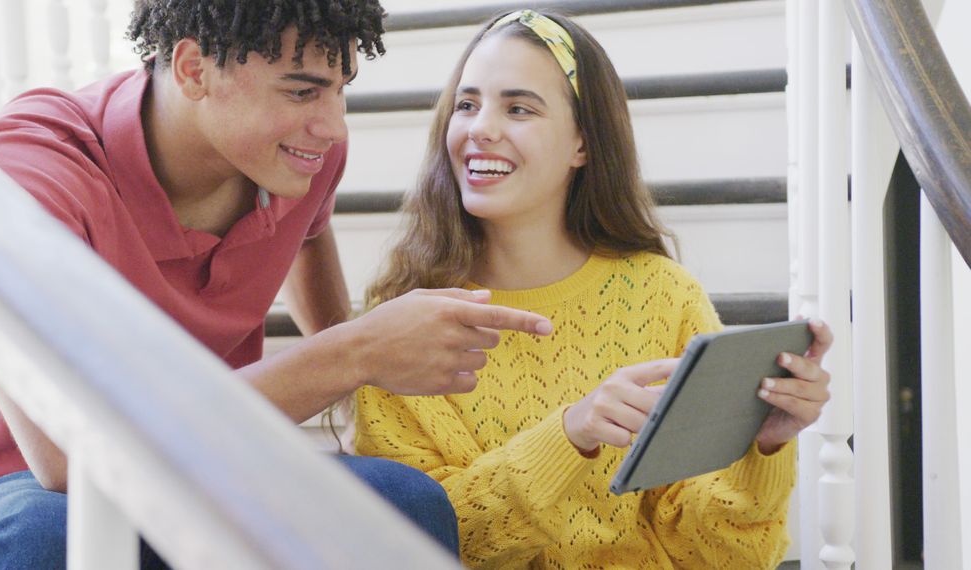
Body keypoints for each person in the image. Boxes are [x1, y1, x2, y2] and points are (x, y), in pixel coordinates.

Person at [0, 1, 557, 567]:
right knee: (45, 540)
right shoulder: (27, 170)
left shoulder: (295, 159)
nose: (333, 127)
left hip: (213, 456)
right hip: (29, 485)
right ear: (194, 69)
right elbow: (67, 459)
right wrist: (354, 352)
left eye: (339, 89)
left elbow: (308, 235)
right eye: (302, 91)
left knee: (406, 502)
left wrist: (356, 386)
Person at [354, 9, 833, 569]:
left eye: (518, 107)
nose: (480, 127)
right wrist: (569, 435)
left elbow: (722, 557)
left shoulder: (665, 297)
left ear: (582, 142)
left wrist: (762, 446)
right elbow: (419, 543)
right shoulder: (404, 320)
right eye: (467, 104)